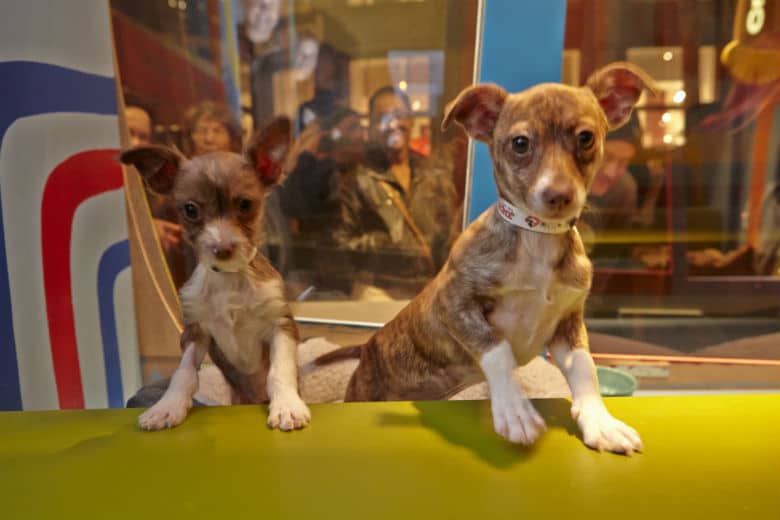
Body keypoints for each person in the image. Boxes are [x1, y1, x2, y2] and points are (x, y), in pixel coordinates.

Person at [334, 86, 457, 299]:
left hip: (429, 292)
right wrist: (388, 245)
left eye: (399, 115)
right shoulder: (355, 180)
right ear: (371, 127)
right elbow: (341, 246)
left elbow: (448, 235)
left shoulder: (433, 173)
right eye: (383, 118)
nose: (393, 124)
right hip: (379, 293)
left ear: (411, 121)